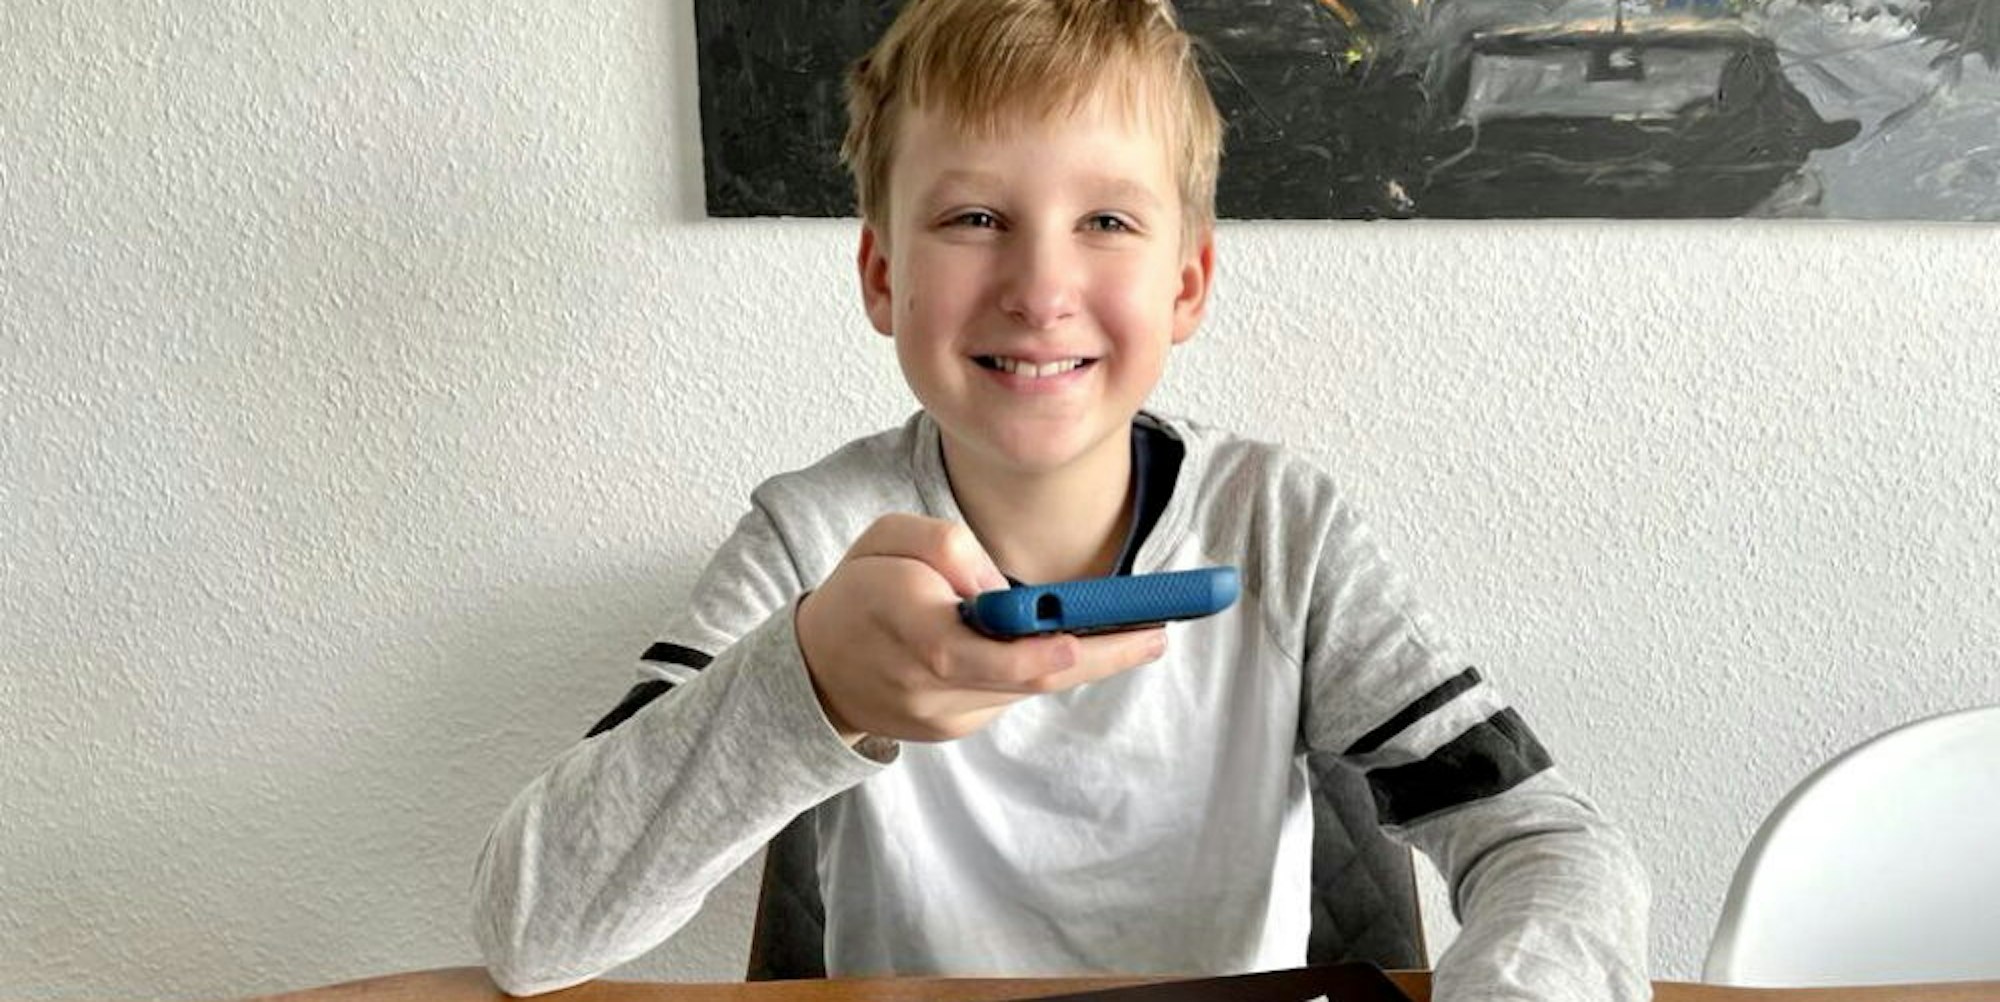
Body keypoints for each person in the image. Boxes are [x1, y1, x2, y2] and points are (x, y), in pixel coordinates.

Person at [470, 0, 1651, 998]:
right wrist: (807, 684)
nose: (1040, 288)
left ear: (1186, 282)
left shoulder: (1279, 523)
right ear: (882, 274)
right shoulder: (809, 535)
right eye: (974, 219)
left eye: (1105, 221)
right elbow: (531, 932)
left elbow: (1550, 845)